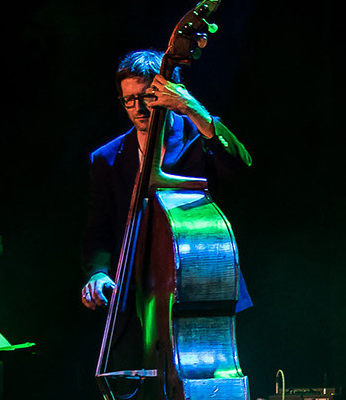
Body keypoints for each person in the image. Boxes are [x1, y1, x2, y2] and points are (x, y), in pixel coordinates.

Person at [78, 49, 252, 391]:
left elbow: (240, 166)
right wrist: (97, 272)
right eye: (129, 100)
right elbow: (99, 229)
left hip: (202, 289)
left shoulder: (198, 136)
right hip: (140, 296)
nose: (138, 109)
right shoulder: (106, 158)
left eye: (147, 97)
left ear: (167, 92)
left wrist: (192, 108)